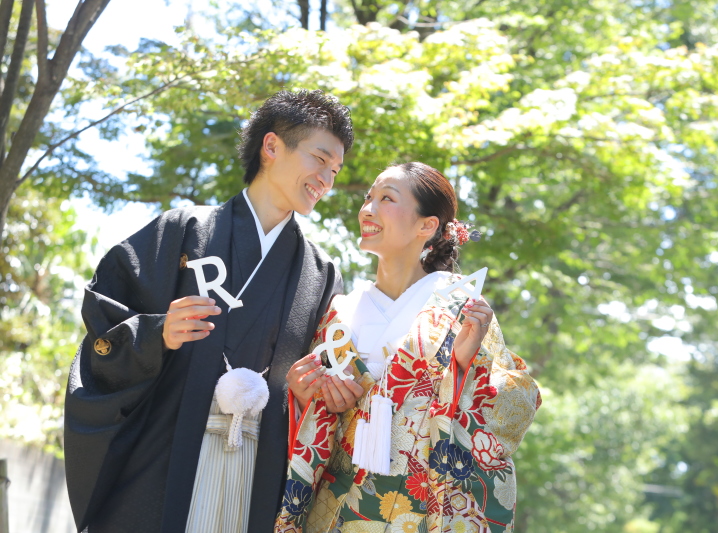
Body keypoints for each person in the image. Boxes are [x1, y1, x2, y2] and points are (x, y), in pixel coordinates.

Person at [64, 89, 362, 533]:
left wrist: (309, 391)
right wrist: (157, 333)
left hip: (258, 466)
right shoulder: (183, 231)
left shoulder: (320, 274)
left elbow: (324, 375)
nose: (326, 179)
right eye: (319, 159)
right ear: (271, 146)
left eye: (335, 170)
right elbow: (104, 324)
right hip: (165, 457)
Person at [275, 162, 542, 533]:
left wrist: (464, 367)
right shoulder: (339, 311)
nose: (367, 209)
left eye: (386, 199)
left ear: (426, 226)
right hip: (337, 506)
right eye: (368, 198)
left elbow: (515, 406)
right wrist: (306, 397)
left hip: (421, 510)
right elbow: (312, 419)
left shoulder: (459, 306)